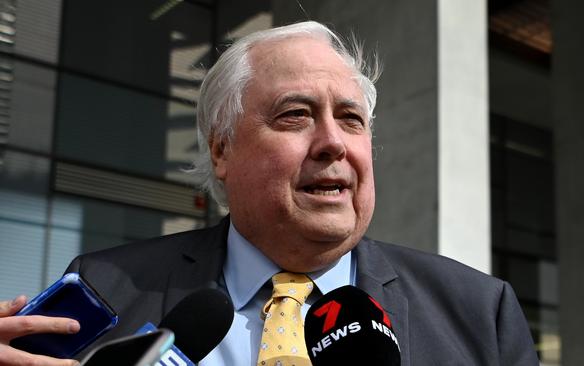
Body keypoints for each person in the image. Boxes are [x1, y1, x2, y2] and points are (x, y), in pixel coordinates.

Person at [0, 21, 538, 365]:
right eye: (296, 115)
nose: (332, 143)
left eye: (351, 120)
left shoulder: (479, 314)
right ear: (222, 151)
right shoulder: (105, 289)